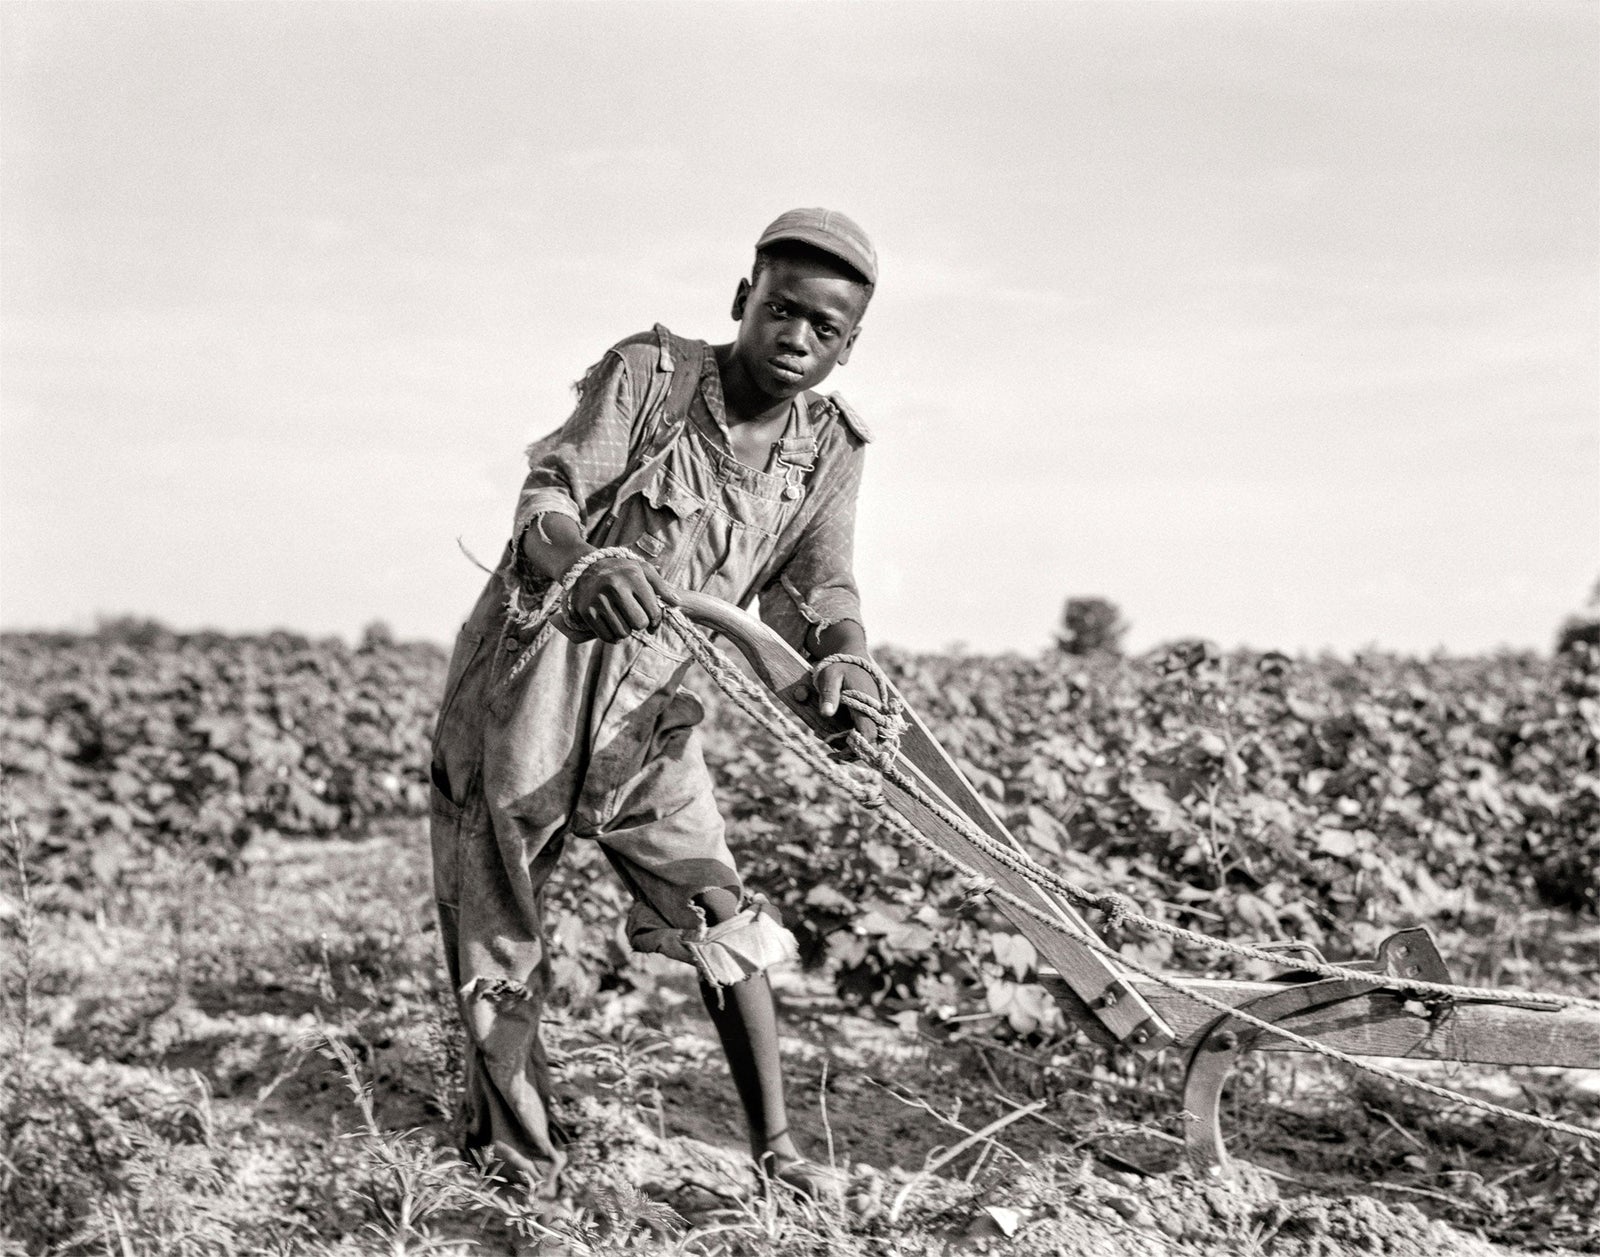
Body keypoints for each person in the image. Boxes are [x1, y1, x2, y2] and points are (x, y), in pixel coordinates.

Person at [428, 208, 884, 1201]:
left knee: (720, 911)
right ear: (742, 300)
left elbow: (819, 588)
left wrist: (844, 657)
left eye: (826, 329)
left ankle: (776, 1154)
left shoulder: (829, 450)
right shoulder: (651, 375)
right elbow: (546, 498)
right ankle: (517, 1163)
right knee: (497, 922)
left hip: (655, 709)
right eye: (781, 310)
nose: (797, 339)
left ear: (851, 346)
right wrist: (584, 560)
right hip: (535, 672)